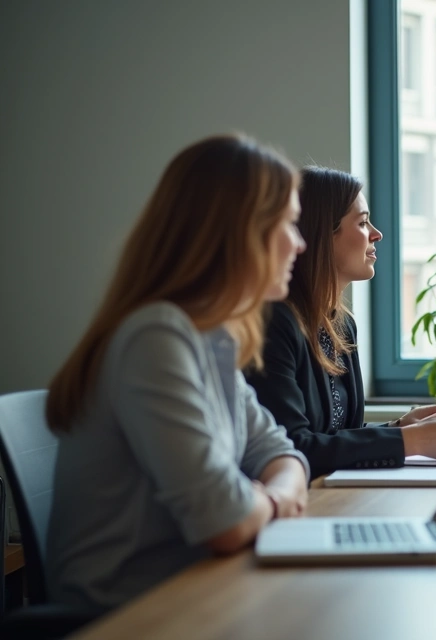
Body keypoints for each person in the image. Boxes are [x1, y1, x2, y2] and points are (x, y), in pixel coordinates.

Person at [43, 134, 311, 611]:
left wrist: (262, 496)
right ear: (240, 231)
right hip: (127, 616)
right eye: (288, 223)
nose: (300, 243)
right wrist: (271, 502)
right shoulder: (156, 337)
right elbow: (225, 522)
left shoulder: (212, 339)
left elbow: (282, 453)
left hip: (195, 593)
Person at [246, 167, 436, 478]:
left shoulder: (342, 324)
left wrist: (401, 427)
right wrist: (407, 441)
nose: (377, 233)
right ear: (321, 234)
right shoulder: (275, 324)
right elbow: (293, 446)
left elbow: (341, 435)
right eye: (362, 222)